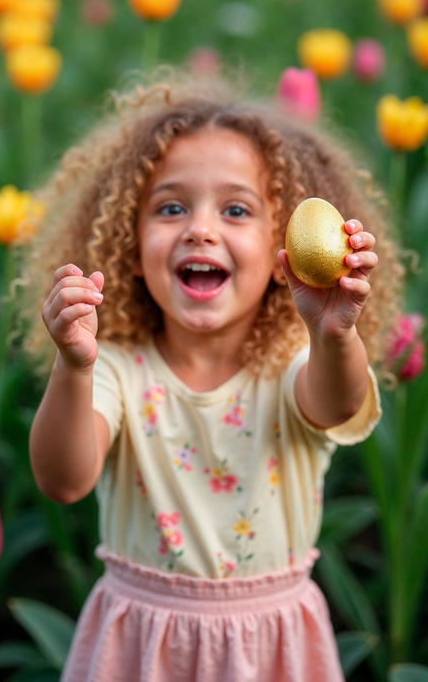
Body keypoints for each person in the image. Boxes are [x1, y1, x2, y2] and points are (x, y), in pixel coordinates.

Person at [21, 68, 403, 682]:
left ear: (285, 254)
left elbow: (335, 403)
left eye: (236, 209)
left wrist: (334, 334)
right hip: (143, 648)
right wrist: (72, 366)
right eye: (171, 207)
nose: (201, 228)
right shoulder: (116, 369)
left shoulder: (293, 365)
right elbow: (63, 480)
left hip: (269, 648)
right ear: (130, 246)